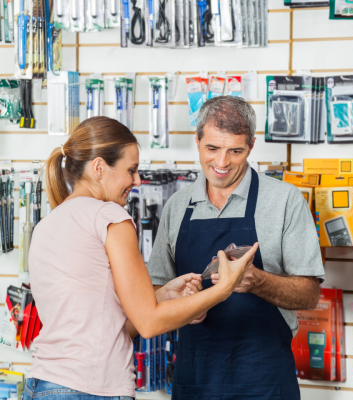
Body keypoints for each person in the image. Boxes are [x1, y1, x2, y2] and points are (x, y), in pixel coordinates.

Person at [22, 116, 258, 400]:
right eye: (131, 170)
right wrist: (223, 289)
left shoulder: (49, 223)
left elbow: (110, 326)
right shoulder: (110, 217)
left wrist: (163, 297)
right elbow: (149, 324)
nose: (137, 180)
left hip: (43, 385)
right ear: (99, 168)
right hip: (90, 389)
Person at [147, 96, 325, 400]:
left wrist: (258, 281)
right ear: (197, 140)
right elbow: (154, 293)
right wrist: (181, 306)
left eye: (235, 151)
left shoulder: (284, 201)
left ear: (252, 146)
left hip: (265, 383)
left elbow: (309, 294)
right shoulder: (178, 206)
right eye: (212, 149)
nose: (221, 162)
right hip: (194, 381)